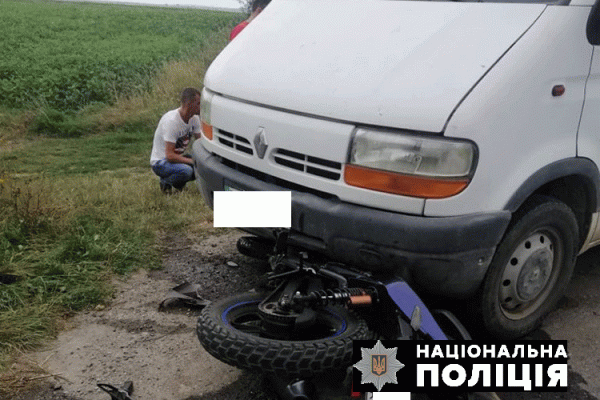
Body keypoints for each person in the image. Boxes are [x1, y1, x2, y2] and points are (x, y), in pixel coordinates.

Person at [150, 87, 202, 193]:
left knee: (199, 168)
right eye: (198, 103)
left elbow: (201, 142)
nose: (201, 106)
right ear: (189, 104)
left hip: (174, 158)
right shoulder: (172, 121)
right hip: (161, 162)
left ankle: (179, 184)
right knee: (187, 171)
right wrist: (192, 161)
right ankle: (166, 182)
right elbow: (169, 156)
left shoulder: (195, 119)